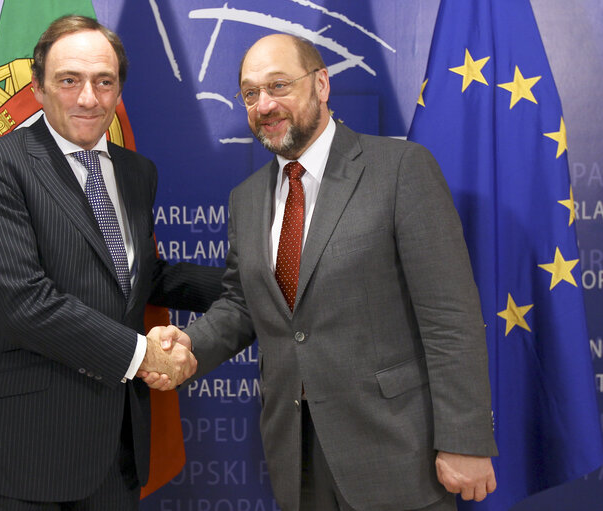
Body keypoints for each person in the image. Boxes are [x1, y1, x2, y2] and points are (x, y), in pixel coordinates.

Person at [145, 34, 498, 511]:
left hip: (397, 451)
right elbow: (243, 304)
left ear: (322, 84)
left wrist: (466, 438)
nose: (264, 104)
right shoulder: (246, 199)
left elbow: (450, 318)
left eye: (279, 85)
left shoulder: (399, 170)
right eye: (251, 93)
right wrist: (191, 346)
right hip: (296, 456)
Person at [0, 15, 223, 510]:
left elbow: (136, 275)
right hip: (24, 454)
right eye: (69, 80)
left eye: (104, 81)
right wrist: (146, 355)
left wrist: (254, 282)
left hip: (116, 452)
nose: (88, 98)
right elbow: (23, 302)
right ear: (37, 87)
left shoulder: (136, 172)